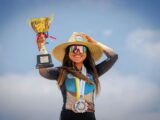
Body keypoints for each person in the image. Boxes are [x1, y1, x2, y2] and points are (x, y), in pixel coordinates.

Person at [37, 32, 118, 120]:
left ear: (86, 53)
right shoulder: (61, 72)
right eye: (73, 49)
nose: (77, 52)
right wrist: (42, 48)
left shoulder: (94, 72)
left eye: (81, 49)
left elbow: (113, 57)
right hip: (67, 116)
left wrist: (96, 43)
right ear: (68, 53)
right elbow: (43, 71)